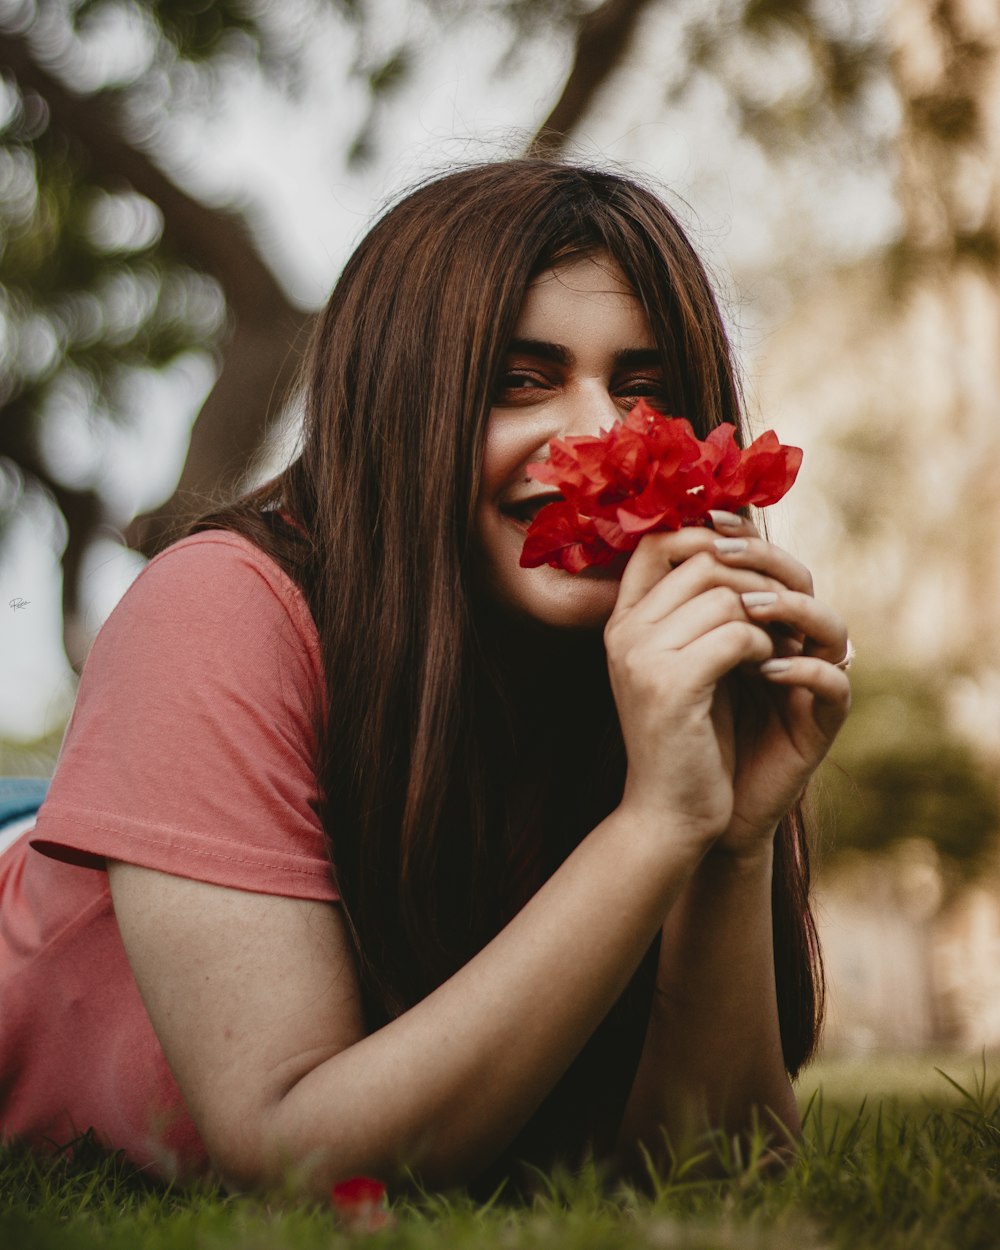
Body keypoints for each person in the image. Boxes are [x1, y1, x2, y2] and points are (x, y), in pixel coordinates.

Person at [0, 159, 851, 1195]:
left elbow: (714, 1176)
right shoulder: (217, 603)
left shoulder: (642, 661)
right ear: (401, 400)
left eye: (646, 389)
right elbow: (296, 1156)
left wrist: (726, 836)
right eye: (519, 379)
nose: (599, 434)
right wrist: (651, 825)